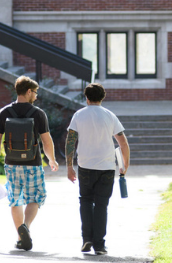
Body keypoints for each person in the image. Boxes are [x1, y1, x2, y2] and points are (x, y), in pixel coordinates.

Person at [0, 76, 59, 251]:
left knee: (15, 199)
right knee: (36, 197)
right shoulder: (38, 113)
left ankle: (21, 235)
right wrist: (51, 159)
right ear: (28, 92)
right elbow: (46, 141)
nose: (35, 96)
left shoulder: (4, 112)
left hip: (12, 163)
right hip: (33, 163)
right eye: (34, 93)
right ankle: (25, 227)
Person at [66, 83, 130, 256]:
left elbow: (70, 141)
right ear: (103, 97)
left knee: (85, 201)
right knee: (102, 205)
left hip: (85, 166)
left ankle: (86, 238)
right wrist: (125, 164)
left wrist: (69, 166)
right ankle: (99, 245)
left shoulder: (79, 115)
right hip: (107, 167)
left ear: (86, 97)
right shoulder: (110, 115)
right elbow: (123, 142)